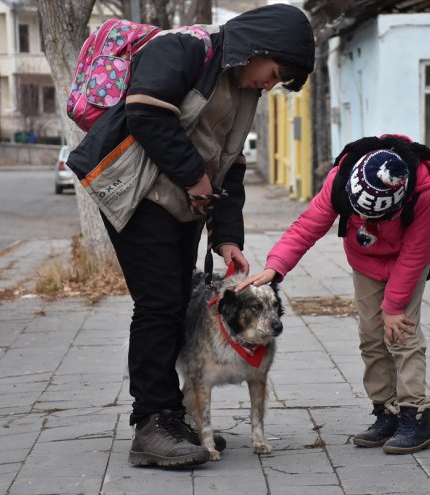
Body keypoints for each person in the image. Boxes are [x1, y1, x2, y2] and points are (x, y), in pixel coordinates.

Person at [67, 4, 314, 468]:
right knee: (160, 302)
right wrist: (194, 179)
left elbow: (232, 166)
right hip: (135, 194)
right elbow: (145, 111)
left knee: (178, 297)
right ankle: (152, 423)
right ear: (259, 48)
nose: (270, 83)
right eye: (275, 72)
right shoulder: (184, 47)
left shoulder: (244, 91)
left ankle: (172, 414)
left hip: (181, 204)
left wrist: (228, 241)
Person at [239, 135, 430, 455]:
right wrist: (275, 266)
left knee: (401, 333)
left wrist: (394, 305)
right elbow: (308, 227)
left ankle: (416, 416)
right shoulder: (341, 181)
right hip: (365, 262)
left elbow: (416, 252)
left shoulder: (424, 191)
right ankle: (385, 412)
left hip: (409, 262)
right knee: (372, 336)